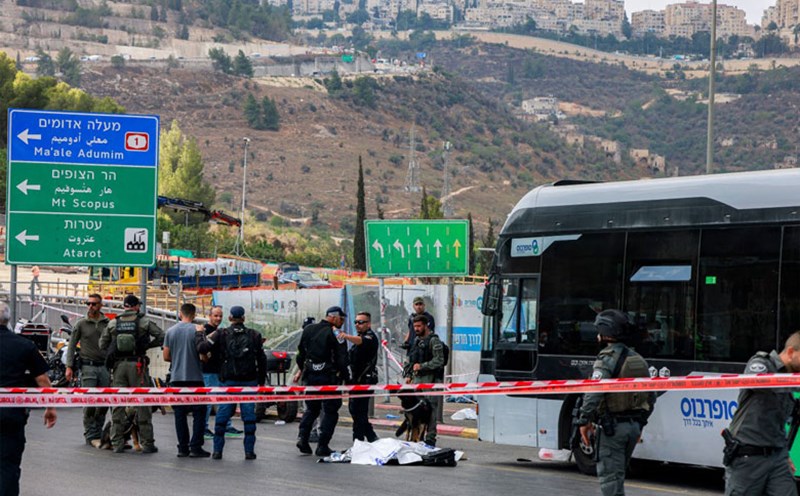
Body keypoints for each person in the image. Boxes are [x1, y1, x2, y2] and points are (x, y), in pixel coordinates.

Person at [577, 309, 656, 496]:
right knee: (617, 476)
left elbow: (594, 392)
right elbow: (650, 396)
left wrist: (583, 421)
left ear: (605, 333)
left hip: (612, 428)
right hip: (633, 427)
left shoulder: (606, 359)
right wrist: (640, 423)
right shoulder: (638, 359)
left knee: (610, 480)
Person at [722, 332, 800, 496]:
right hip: (748, 458)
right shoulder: (761, 364)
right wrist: (793, 384)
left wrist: (785, 453)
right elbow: (760, 383)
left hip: (777, 457)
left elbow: (778, 423)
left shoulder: (790, 379)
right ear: (791, 352)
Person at [0, 301, 57, 496]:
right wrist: (50, 408)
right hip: (11, 415)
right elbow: (43, 381)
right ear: (8, 320)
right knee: (8, 466)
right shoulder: (24, 345)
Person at [198, 305, 266, 460]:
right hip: (249, 382)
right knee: (249, 419)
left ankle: (217, 451)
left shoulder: (221, 333)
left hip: (227, 381)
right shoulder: (254, 335)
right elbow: (262, 360)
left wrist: (199, 334)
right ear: (243, 318)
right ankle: (249, 452)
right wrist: (260, 383)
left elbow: (202, 347)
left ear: (229, 318)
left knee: (222, 418)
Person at [99, 294, 165, 454]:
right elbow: (162, 336)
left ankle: (117, 443)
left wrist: (115, 351)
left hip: (119, 367)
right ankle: (147, 443)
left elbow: (102, 344)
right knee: (142, 403)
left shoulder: (113, 322)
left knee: (118, 405)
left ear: (124, 306)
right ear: (136, 306)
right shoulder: (144, 321)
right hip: (138, 366)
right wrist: (147, 346)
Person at [294, 306, 349, 456]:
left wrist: (305, 369)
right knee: (331, 411)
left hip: (311, 376)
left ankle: (302, 438)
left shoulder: (309, 330)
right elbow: (342, 358)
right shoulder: (336, 332)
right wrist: (346, 377)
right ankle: (322, 445)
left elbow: (300, 354)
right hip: (329, 377)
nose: (342, 322)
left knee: (311, 409)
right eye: (341, 319)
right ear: (333, 317)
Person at [164, 303, 211, 458]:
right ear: (194, 314)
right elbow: (203, 356)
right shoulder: (198, 331)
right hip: (196, 378)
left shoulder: (170, 331)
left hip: (177, 378)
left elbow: (166, 356)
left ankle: (182, 447)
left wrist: (177, 360)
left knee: (180, 414)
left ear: (180, 313)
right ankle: (196, 446)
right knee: (199, 413)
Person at [65, 293, 110, 448]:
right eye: (88, 303)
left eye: (94, 304)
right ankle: (91, 435)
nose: (90, 306)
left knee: (103, 402)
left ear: (100, 305)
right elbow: (71, 345)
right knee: (90, 401)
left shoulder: (108, 323)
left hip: (104, 367)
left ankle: (98, 432)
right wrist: (69, 366)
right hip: (88, 367)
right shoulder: (81, 324)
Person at [197, 305, 240, 438]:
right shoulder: (205, 330)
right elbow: (201, 349)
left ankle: (226, 426)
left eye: (220, 316)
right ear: (209, 316)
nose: (218, 318)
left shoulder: (221, 331)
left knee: (224, 400)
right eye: (215, 315)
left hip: (220, 371)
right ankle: (203, 428)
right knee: (209, 401)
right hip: (209, 371)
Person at [403, 314, 444, 447]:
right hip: (417, 381)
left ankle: (430, 438)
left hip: (431, 381)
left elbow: (439, 360)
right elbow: (412, 359)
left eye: (419, 326)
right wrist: (409, 375)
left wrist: (423, 366)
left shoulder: (434, 341)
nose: (416, 329)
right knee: (416, 409)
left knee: (431, 410)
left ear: (426, 326)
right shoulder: (416, 341)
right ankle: (416, 437)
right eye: (415, 326)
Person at [339, 311, 379, 442]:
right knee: (355, 411)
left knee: (359, 412)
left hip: (365, 381)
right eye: (355, 322)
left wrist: (345, 336)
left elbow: (361, 341)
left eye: (361, 322)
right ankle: (372, 438)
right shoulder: (359, 337)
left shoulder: (370, 337)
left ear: (368, 324)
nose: (357, 324)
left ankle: (359, 441)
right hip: (356, 381)